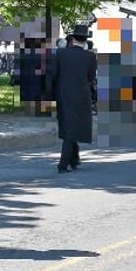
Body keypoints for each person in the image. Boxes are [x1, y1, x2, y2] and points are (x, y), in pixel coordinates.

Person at [48, 24, 97, 173]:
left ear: (73, 38)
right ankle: (63, 164)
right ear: (85, 40)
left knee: (68, 125)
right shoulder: (90, 56)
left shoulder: (61, 54)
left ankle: (74, 159)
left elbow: (53, 75)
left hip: (63, 94)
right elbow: (91, 77)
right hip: (81, 95)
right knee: (73, 127)